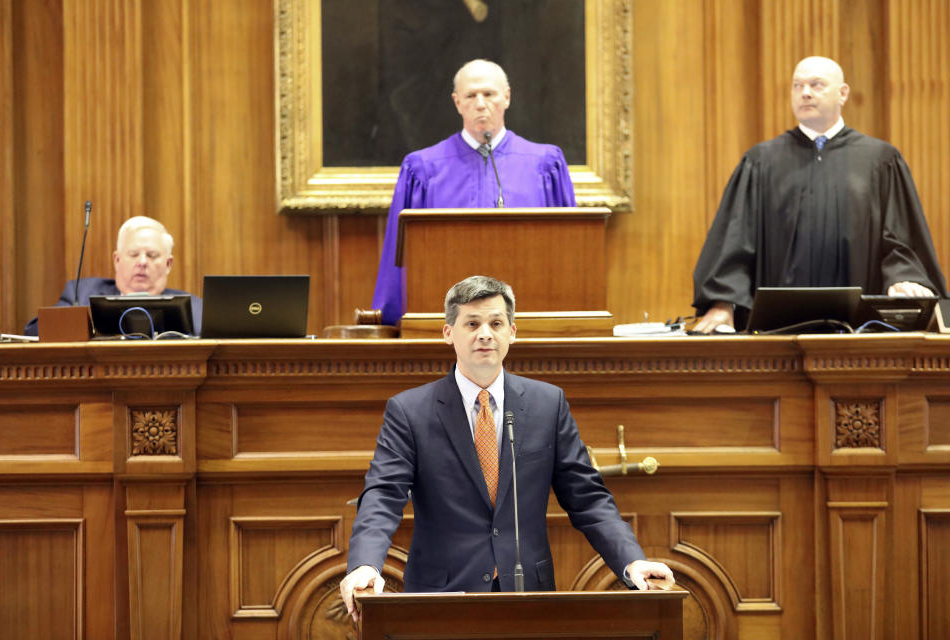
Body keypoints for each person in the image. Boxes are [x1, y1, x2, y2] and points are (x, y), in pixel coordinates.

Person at [340, 275, 673, 622]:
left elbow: (587, 498)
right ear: (448, 333)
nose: (485, 333)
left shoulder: (548, 404)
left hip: (528, 593)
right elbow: (382, 495)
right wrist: (365, 564)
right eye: (472, 323)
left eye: (496, 323)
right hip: (440, 597)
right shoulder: (410, 411)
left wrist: (631, 560)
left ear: (511, 332)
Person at [692, 56, 948, 333]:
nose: (805, 93)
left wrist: (904, 277)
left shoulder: (879, 160)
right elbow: (736, 239)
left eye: (816, 85)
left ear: (843, 93)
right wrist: (723, 302)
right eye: (797, 85)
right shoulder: (761, 162)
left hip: (862, 332)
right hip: (776, 331)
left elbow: (899, 235)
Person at [371, 59, 577, 326]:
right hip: (446, 325)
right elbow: (398, 260)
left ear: (507, 97)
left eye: (489, 94)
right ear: (457, 102)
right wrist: (392, 322)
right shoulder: (422, 170)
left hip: (531, 321)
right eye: (471, 95)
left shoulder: (544, 164)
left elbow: (570, 249)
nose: (480, 103)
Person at [25, 216, 203, 336]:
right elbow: (35, 332)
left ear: (168, 264)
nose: (142, 262)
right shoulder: (82, 294)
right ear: (117, 260)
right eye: (133, 254)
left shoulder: (195, 309)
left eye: (152, 255)